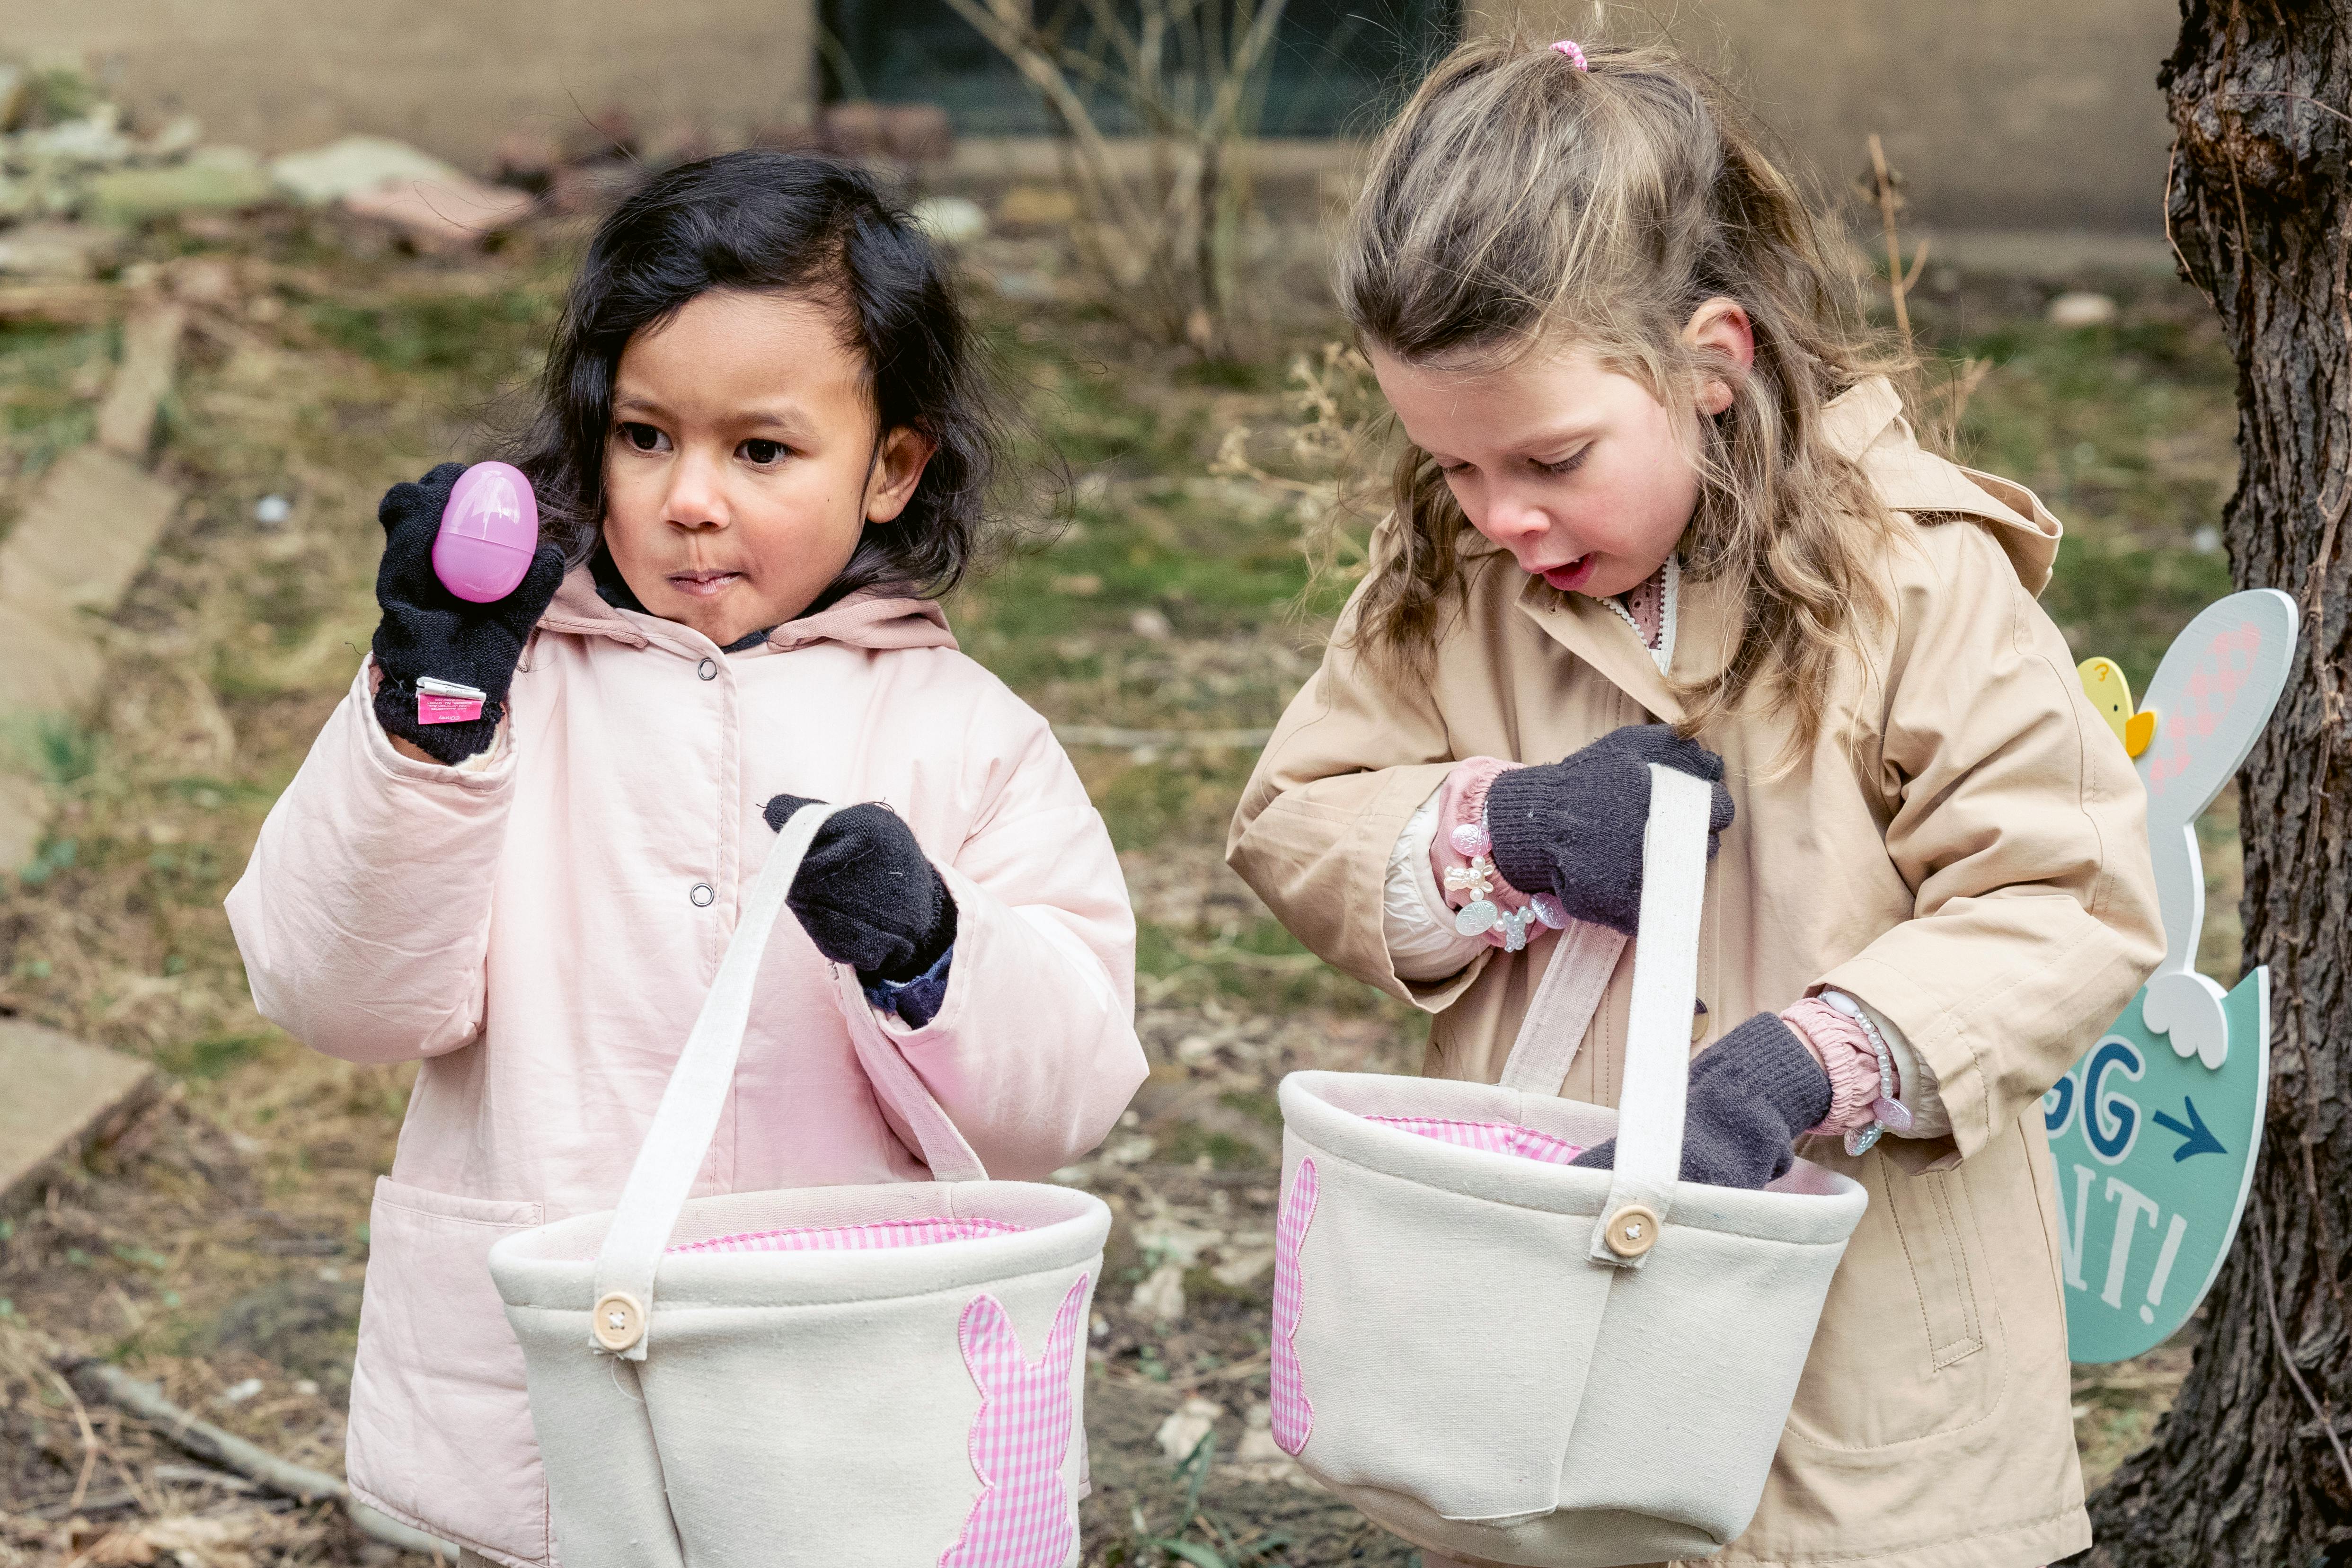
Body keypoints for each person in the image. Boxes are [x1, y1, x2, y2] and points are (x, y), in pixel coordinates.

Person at [1227, 34, 2164, 1568]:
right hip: (1548, 1330)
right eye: (1451, 467)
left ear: (1708, 363)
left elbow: (2059, 895)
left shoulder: (1912, 574)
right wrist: (1501, 827)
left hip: (1864, 1388)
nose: (1502, 514)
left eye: (1548, 457)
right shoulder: (1446, 586)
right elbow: (1298, 815)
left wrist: (1809, 1064)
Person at [226, 153, 1146, 1568]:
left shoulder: (968, 738)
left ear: (892, 466)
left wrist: (929, 949)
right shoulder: (499, 693)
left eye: (761, 451)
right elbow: (332, 992)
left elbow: (1069, 1085)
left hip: (836, 1406)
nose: (689, 498)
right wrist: (424, 727)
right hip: (544, 1417)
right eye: (647, 436)